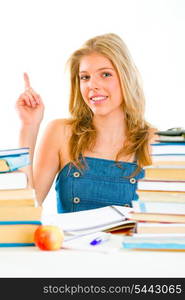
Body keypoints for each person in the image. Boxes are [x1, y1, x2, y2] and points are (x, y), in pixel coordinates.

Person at [16, 33, 155, 213]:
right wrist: (28, 127)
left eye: (105, 74)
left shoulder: (153, 142)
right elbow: (24, 211)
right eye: (85, 77)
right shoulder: (61, 133)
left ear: (126, 77)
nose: (92, 85)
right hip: (67, 242)